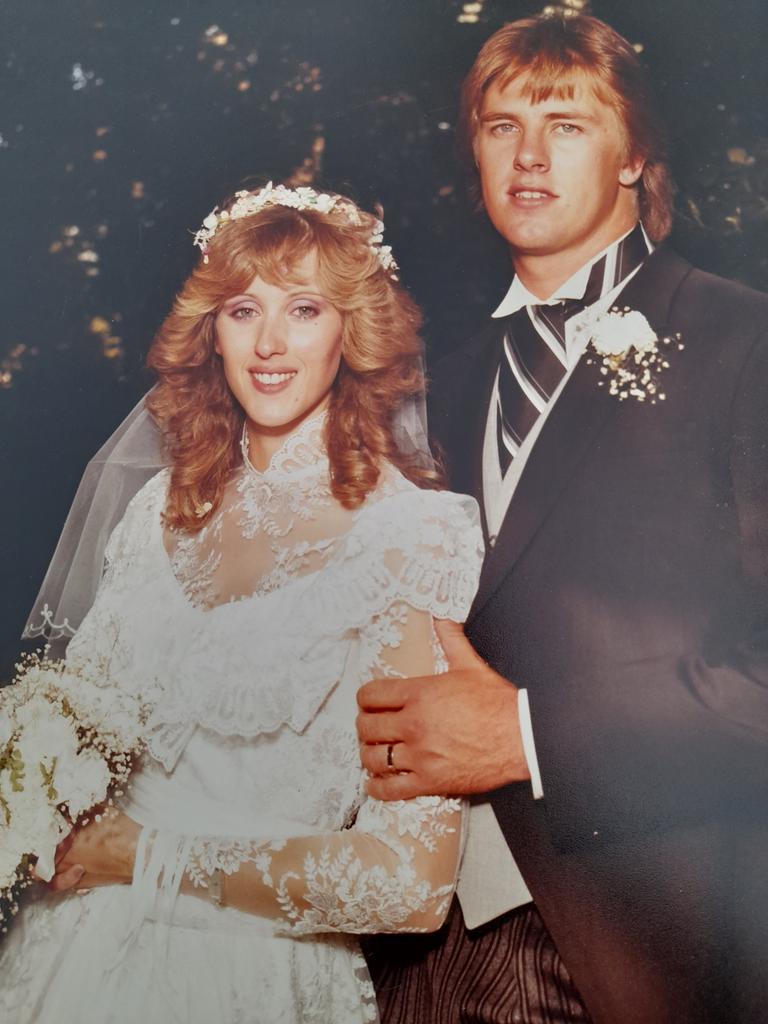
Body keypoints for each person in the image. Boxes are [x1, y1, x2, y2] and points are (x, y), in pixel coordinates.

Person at [358, 14, 768, 1024]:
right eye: (500, 126)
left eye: (567, 122)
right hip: (416, 947)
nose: (528, 153)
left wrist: (531, 735)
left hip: (642, 951)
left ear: (636, 154)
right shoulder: (428, 392)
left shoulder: (744, 342)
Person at [0, 183, 484, 1023]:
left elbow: (410, 884)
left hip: (253, 983)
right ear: (209, 332)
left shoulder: (411, 537)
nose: (268, 343)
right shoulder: (155, 511)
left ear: (351, 330)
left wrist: (147, 857)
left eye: (303, 309)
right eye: (240, 310)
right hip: (66, 957)